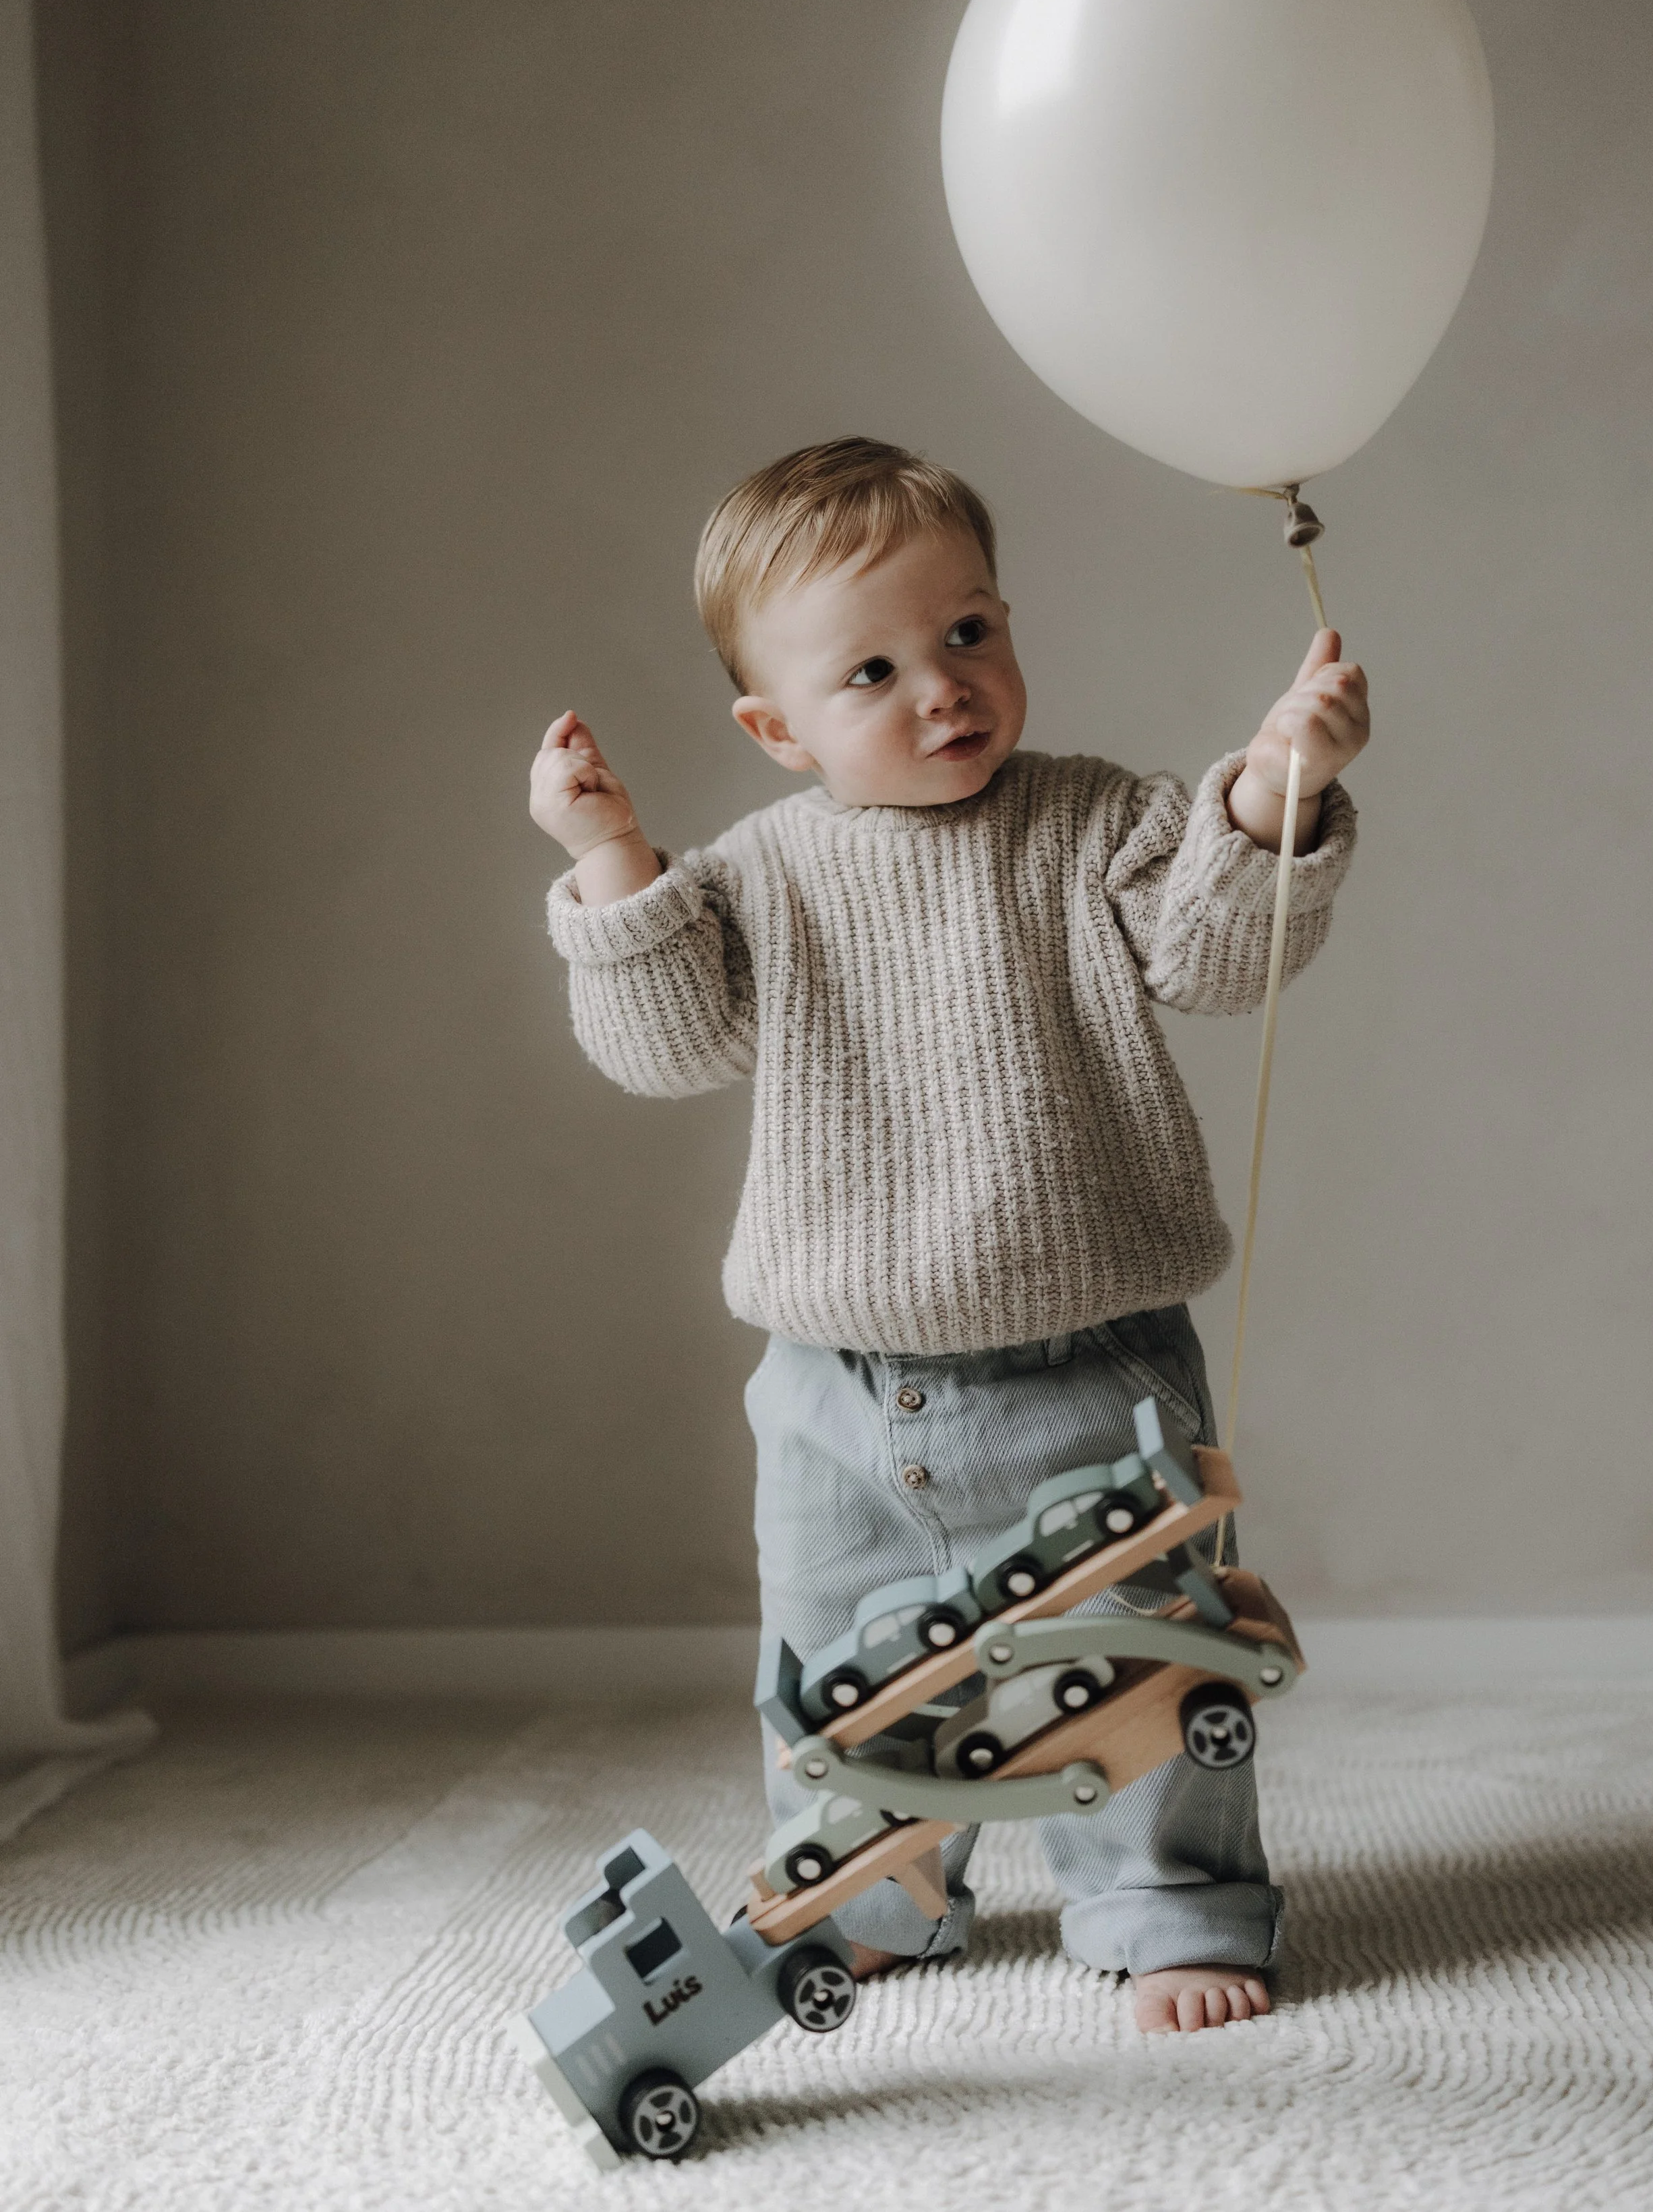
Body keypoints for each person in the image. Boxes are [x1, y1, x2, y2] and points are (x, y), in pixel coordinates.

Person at [530, 438, 1368, 2034]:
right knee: (839, 1670)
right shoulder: (763, 874)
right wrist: (610, 863)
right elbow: (664, 1042)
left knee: (1146, 1654)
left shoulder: (1089, 820)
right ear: (776, 729)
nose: (942, 688)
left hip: (1092, 1365)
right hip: (839, 1392)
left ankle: (1170, 1900)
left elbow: (1210, 951)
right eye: (872, 669)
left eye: (967, 633)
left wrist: (1270, 791)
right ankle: (870, 1896)